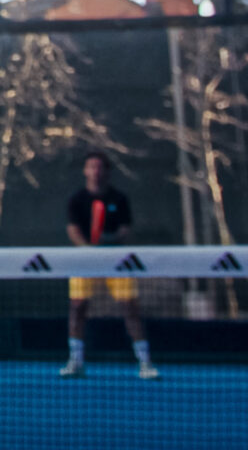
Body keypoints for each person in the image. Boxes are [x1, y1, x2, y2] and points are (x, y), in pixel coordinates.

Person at [63, 150, 156, 379]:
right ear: (86, 171)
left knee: (130, 308)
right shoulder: (77, 200)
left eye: (100, 167)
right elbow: (73, 230)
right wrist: (89, 249)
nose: (95, 171)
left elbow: (125, 229)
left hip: (116, 261)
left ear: (107, 171)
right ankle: (76, 360)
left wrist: (109, 241)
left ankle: (145, 362)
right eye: (91, 167)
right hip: (85, 261)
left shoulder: (119, 199)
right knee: (77, 307)